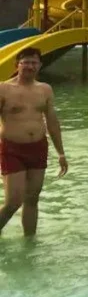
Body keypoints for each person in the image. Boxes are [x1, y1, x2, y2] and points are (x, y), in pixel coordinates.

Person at [0, 47, 68, 237]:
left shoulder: (45, 89)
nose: (30, 66)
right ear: (17, 65)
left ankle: (29, 243)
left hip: (38, 147)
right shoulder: (4, 88)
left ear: (40, 65)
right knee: (13, 201)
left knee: (32, 199)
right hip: (12, 148)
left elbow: (52, 122)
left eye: (34, 62)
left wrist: (61, 153)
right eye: (26, 62)